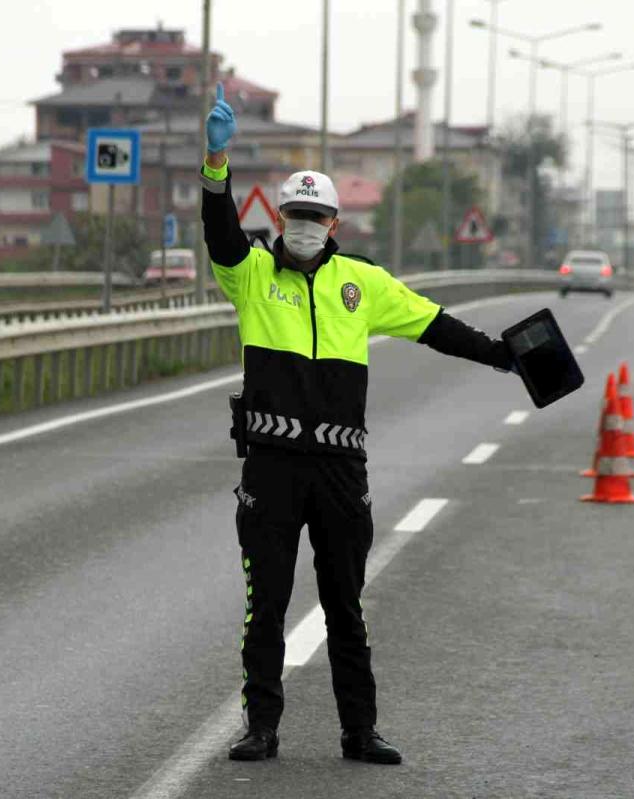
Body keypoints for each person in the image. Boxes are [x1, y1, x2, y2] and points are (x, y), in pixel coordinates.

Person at [201, 84, 517, 764]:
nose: (305, 223)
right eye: (295, 213)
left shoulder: (363, 284)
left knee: (346, 606)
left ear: (336, 223)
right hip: (273, 469)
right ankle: (261, 727)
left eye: (317, 215)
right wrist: (216, 162)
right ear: (281, 217)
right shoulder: (253, 275)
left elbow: (435, 324)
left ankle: (359, 730)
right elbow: (221, 234)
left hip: (342, 473)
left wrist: (500, 354)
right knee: (268, 606)